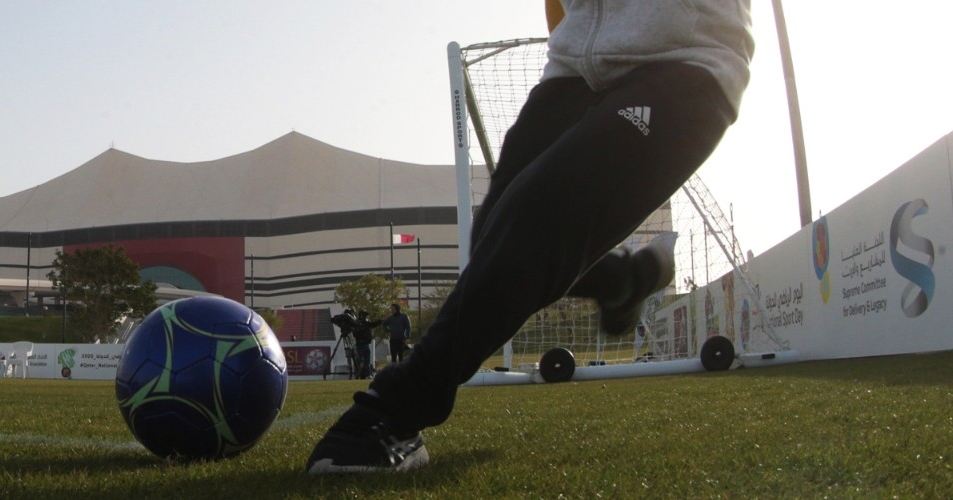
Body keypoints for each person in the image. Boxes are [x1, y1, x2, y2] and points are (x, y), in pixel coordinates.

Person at [305, 0, 754, 474]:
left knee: (536, 216)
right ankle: (623, 279)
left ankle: (397, 409)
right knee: (492, 239)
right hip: (574, 65)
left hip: (686, 55)